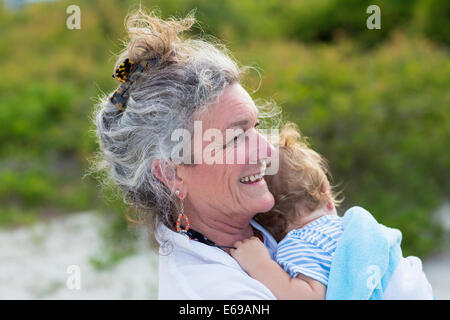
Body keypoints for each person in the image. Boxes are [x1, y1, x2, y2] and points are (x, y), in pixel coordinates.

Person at [92, 9, 434, 299]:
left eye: (255, 127)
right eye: (235, 137)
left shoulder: (263, 217)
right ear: (171, 173)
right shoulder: (215, 293)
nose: (267, 149)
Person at [231, 124, 434, 300]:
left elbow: (309, 297)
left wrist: (260, 265)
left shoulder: (300, 244)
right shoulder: (351, 229)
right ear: (325, 188)